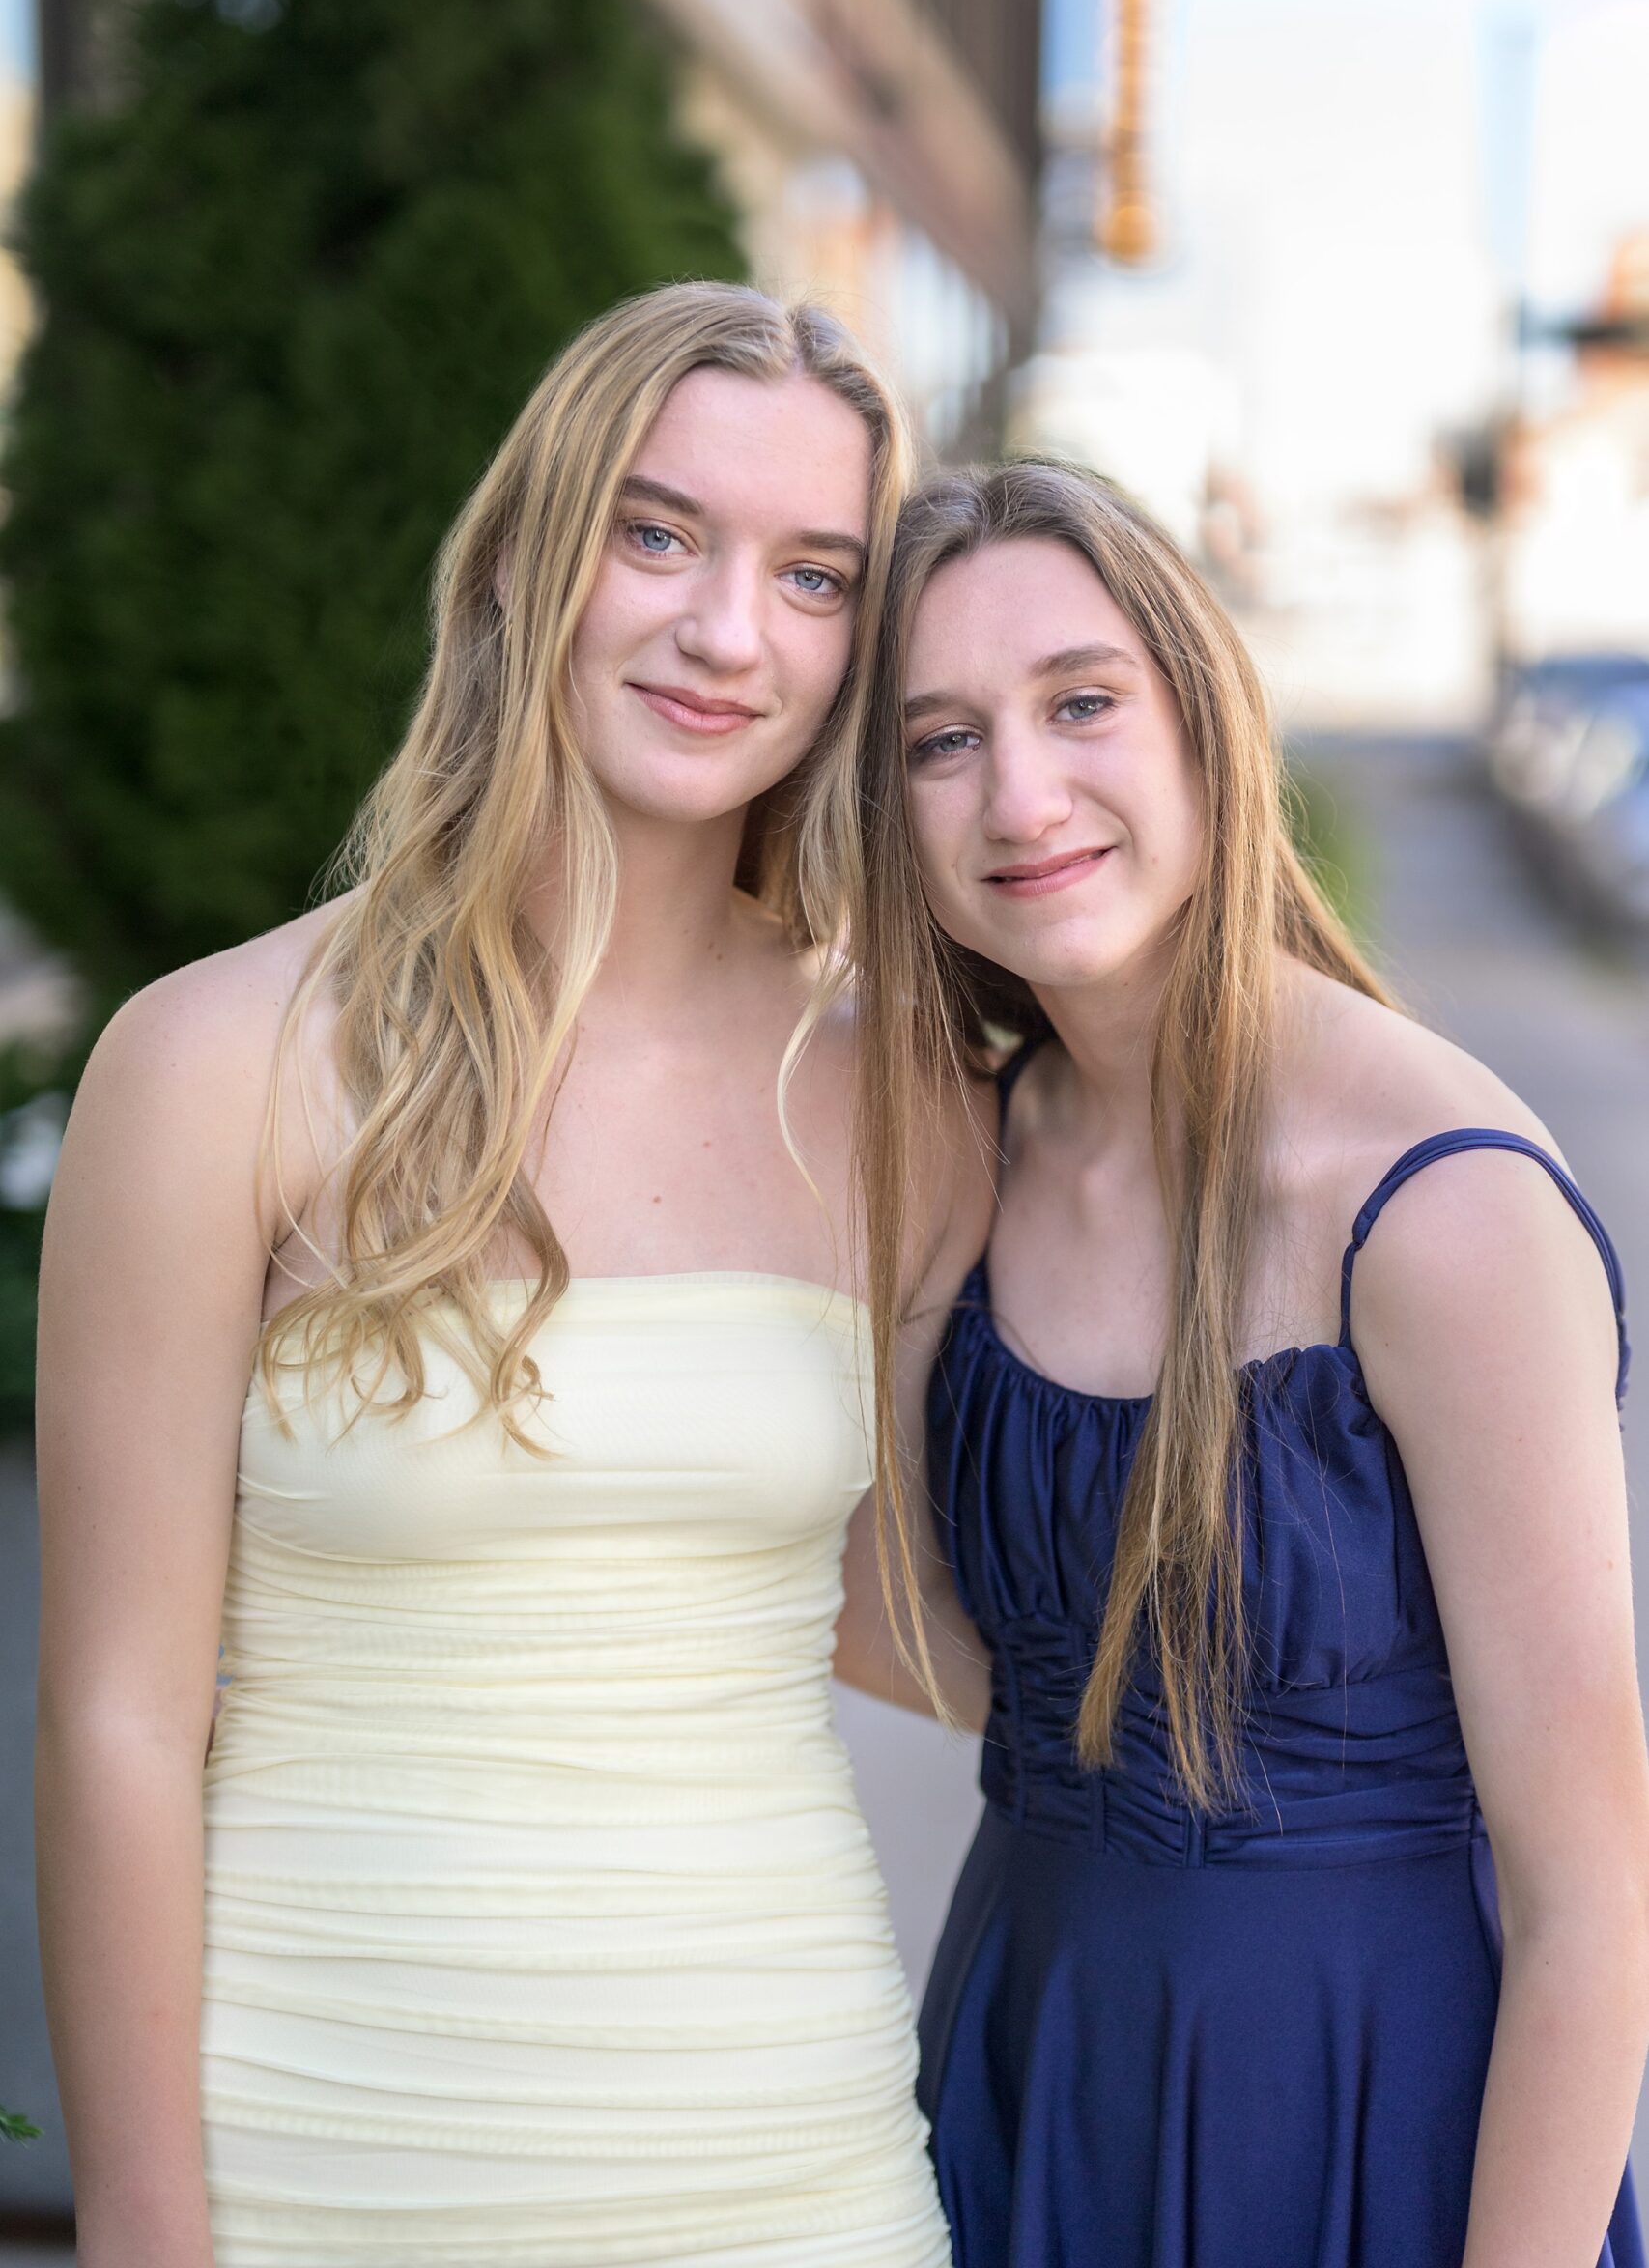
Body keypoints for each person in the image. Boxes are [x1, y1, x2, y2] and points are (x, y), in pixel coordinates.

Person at [34, 282, 978, 2268]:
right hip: (325, 2154)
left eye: (813, 575)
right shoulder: (219, 1062)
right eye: (660, 533)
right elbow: (121, 1712)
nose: (730, 631)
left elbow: (926, 1624)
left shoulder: (897, 1078)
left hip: (784, 2163)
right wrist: (142, 2223)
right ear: (525, 557)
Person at [846, 455, 1649, 2268]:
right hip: (1025, 2074)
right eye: (938, 740)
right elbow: (881, 1618)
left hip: (1372, 2114)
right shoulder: (960, 1153)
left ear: (1204, 717)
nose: (1022, 792)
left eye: (1078, 703)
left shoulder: (1439, 1209)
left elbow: (1596, 1895)